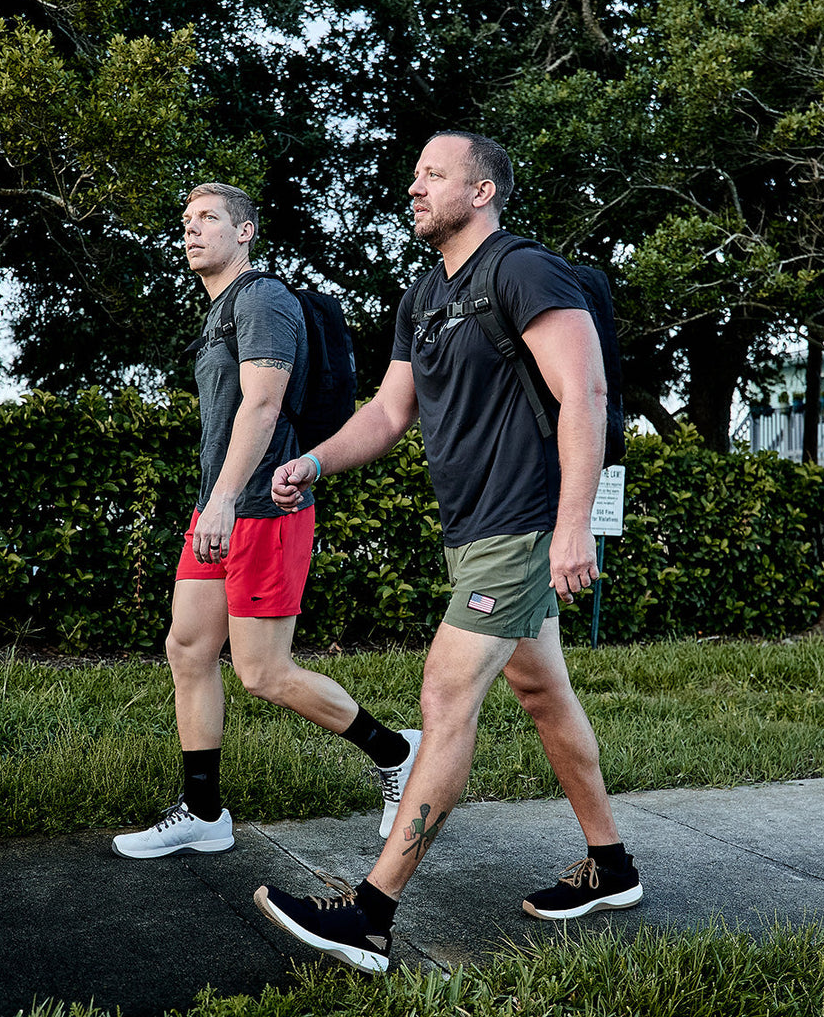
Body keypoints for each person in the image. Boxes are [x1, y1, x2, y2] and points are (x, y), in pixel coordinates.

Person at [255, 134, 642, 972]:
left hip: (524, 521)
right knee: (542, 690)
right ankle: (612, 867)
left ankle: (369, 913)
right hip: (473, 530)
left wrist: (572, 523)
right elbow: (391, 413)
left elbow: (585, 391)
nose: (415, 186)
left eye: (434, 174)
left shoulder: (523, 270)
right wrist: (316, 459)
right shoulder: (426, 293)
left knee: (444, 695)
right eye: (417, 173)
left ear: (484, 189)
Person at [111, 183, 420, 859]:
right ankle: (203, 812)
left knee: (263, 673)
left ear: (245, 232)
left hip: (260, 512)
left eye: (208, 219)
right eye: (185, 219)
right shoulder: (221, 309)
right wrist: (211, 502)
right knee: (187, 649)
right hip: (217, 508)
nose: (190, 231)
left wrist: (222, 500)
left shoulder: (261, 300)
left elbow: (262, 405)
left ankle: (397, 751)